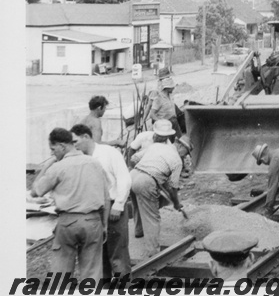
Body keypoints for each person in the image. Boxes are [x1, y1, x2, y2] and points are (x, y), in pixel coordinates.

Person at [31, 128, 108, 281]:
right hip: (93, 221)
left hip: (68, 222)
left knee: (61, 273)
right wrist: (104, 225)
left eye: (53, 150)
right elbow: (106, 197)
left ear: (62, 146)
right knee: (92, 273)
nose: (53, 154)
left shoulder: (58, 167)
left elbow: (35, 191)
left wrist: (48, 165)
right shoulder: (95, 163)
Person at [71, 124, 132, 278]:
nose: (74, 145)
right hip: (93, 211)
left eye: (75, 141)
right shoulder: (80, 159)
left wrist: (118, 205)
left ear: (86, 136)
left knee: (117, 253)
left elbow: (124, 178)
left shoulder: (109, 153)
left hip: (112, 207)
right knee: (99, 255)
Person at [129, 120, 185, 258]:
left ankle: (139, 231)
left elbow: (134, 158)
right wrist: (177, 203)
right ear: (180, 146)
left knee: (138, 204)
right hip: (146, 181)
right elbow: (173, 187)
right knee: (152, 217)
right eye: (186, 151)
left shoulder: (156, 146)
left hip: (132, 175)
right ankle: (153, 253)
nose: (185, 154)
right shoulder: (177, 160)